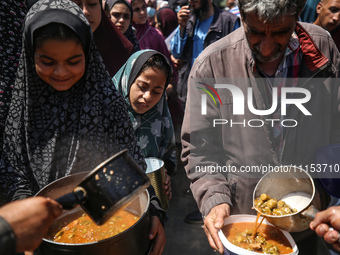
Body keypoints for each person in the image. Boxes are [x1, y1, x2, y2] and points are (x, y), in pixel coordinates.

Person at [0, 1, 166, 253]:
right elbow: (12, 169)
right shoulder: (19, 106)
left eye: (74, 60)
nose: (60, 72)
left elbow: (131, 164)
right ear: (29, 53)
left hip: (112, 237)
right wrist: (27, 210)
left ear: (88, 52)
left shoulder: (106, 101)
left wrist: (153, 209)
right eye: (46, 60)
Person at [181, 0, 340, 253]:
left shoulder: (323, 48)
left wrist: (326, 191)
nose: (266, 49)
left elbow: (336, 128)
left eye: (280, 32)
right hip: (241, 226)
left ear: (297, 16)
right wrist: (215, 199)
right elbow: (200, 149)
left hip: (306, 221)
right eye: (254, 32)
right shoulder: (211, 65)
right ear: (242, 17)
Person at [113, 49, 177, 201]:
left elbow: (168, 154)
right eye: (142, 86)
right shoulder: (103, 113)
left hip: (151, 202)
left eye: (157, 91)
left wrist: (165, 175)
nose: (148, 97)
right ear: (128, 79)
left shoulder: (160, 115)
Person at [170, 0, 240, 106]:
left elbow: (239, 60)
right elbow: (176, 53)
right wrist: (182, 27)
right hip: (191, 94)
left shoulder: (229, 22)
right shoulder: (188, 21)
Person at [70, 0, 134, 77]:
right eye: (76, 4)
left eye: (92, 4)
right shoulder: (52, 47)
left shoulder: (122, 51)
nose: (85, 11)